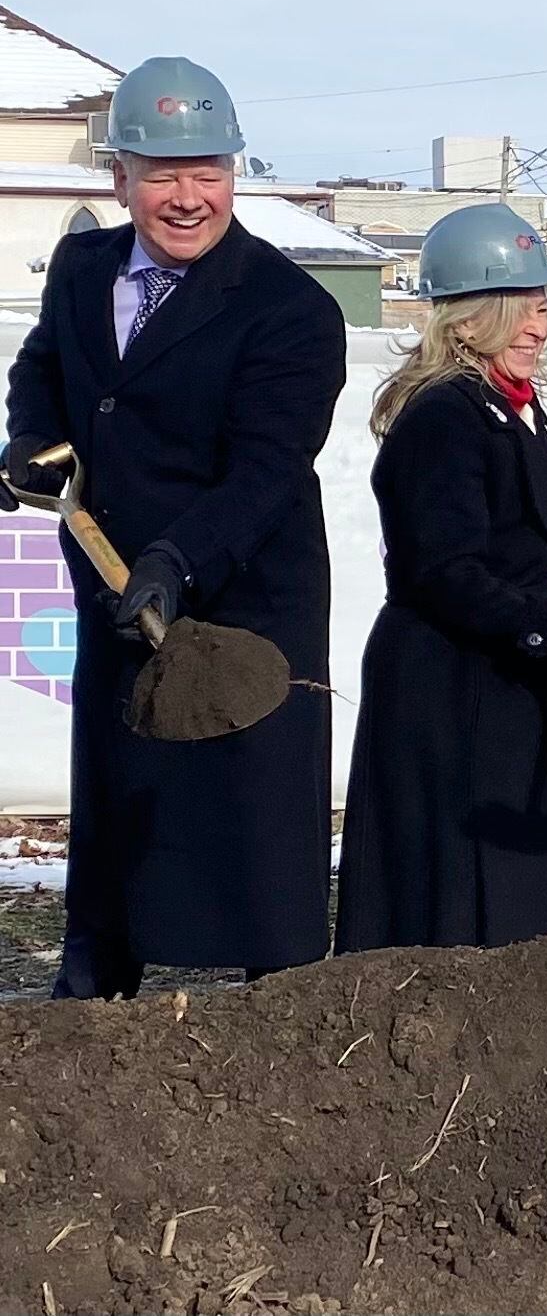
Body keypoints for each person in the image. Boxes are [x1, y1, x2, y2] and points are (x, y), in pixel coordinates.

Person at [2, 57, 346, 997]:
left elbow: (267, 471)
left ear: (236, 171)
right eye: (162, 174)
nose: (187, 197)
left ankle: (280, 1004)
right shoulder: (81, 269)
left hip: (241, 602)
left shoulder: (291, 310)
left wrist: (174, 558)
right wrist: (30, 440)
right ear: (120, 177)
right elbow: (41, 370)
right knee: (121, 796)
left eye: (208, 171)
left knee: (248, 817)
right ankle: (95, 982)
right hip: (117, 588)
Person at [335, 203, 547, 952]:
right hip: (448, 689)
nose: (539, 325)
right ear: (465, 322)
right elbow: (445, 570)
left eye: (542, 305)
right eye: (517, 308)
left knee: (512, 893)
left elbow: (500, 537)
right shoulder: (444, 416)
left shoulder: (505, 408)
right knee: (455, 906)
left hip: (500, 673)